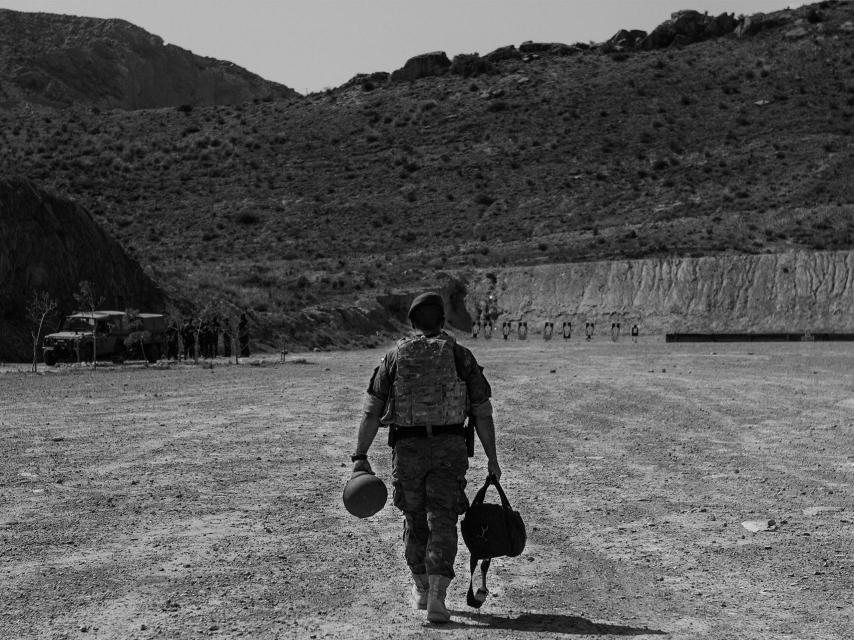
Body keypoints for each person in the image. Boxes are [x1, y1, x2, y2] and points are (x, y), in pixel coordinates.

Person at [351, 292, 500, 624]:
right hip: (450, 448)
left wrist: (359, 455)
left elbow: (372, 412)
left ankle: (420, 586)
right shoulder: (461, 356)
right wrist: (492, 459)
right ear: (443, 321)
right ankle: (437, 595)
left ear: (412, 323)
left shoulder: (394, 358)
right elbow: (482, 413)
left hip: (408, 451)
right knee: (443, 520)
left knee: (415, 519)